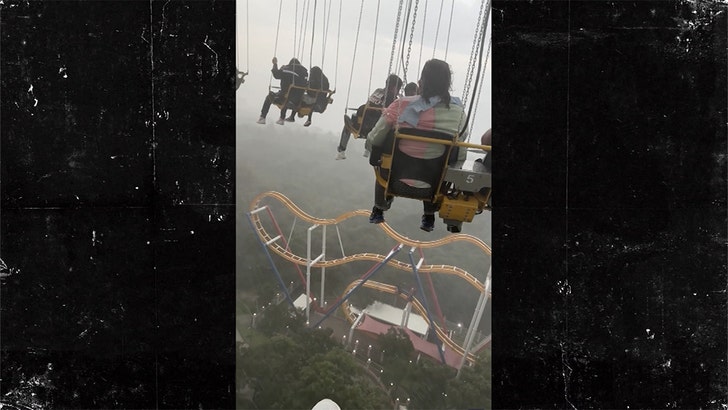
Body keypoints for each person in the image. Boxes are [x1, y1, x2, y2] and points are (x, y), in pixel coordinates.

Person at [365, 59, 467, 232]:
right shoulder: (458, 114)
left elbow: (375, 137)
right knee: (439, 166)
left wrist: (372, 150)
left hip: (395, 181)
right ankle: (429, 214)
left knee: (383, 157)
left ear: (421, 82)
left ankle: (379, 207)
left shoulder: (401, 104)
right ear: (447, 85)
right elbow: (461, 151)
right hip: (432, 187)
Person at [335, 74, 403, 160]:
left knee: (352, 119)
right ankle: (368, 149)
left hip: (361, 123)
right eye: (398, 89)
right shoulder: (392, 99)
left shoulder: (378, 91)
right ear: (394, 88)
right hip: (373, 128)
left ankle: (341, 150)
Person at [256, 57, 308, 125]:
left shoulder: (287, 69)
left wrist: (275, 64)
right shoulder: (305, 73)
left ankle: (262, 118)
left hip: (284, 97)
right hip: (298, 100)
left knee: (269, 97)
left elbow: (276, 75)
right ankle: (282, 118)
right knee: (289, 95)